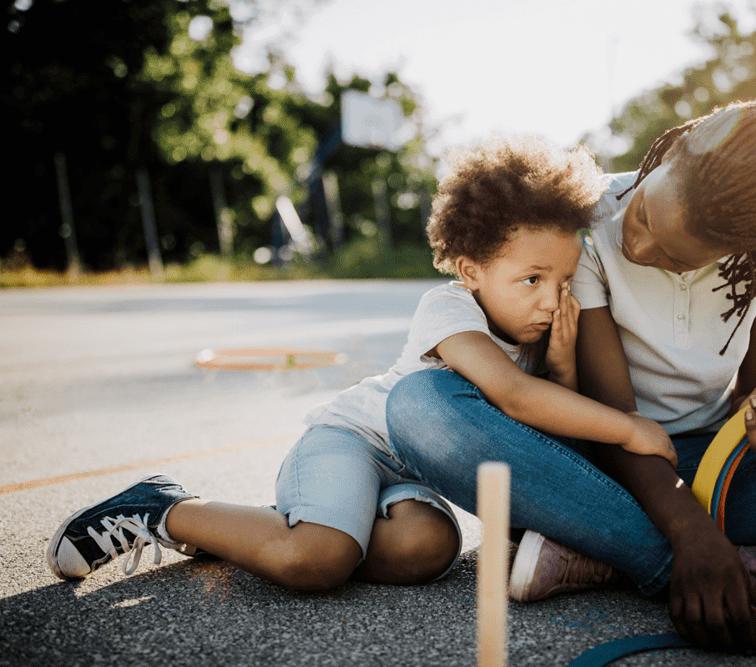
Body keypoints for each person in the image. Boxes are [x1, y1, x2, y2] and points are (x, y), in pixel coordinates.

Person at [385, 70, 756, 650]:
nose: (638, 244)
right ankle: (703, 565)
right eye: (643, 217)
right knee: (420, 406)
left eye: (671, 256)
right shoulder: (585, 222)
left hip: (709, 467)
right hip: (594, 462)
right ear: (673, 150)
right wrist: (692, 542)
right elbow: (615, 420)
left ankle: (601, 554)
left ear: (742, 250)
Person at [47, 136, 676, 591]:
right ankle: (164, 508)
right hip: (351, 441)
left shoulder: (546, 329)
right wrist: (627, 426)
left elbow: (545, 435)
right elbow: (513, 397)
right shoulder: (449, 309)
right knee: (316, 561)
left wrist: (563, 362)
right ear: (471, 270)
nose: (550, 298)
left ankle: (249, 535)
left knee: (426, 552)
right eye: (531, 278)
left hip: (407, 479)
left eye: (563, 279)